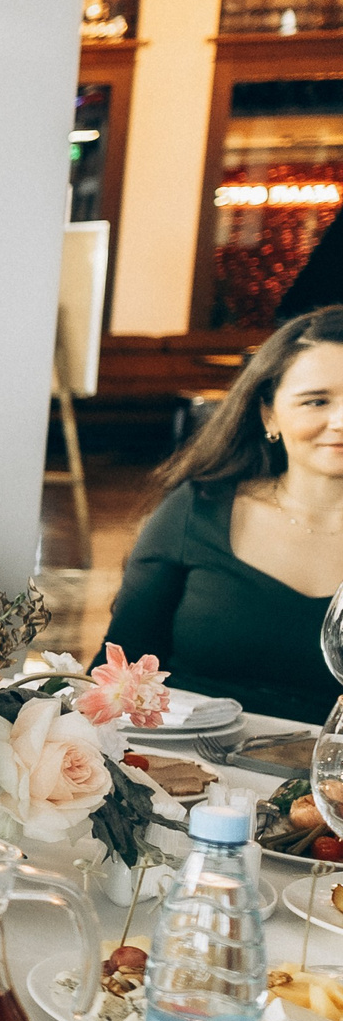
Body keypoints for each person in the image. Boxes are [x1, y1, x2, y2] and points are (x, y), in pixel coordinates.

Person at [108, 306, 343, 723]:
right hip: (187, 768)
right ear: (269, 413)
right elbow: (117, 676)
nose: (340, 420)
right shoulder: (197, 509)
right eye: (316, 401)